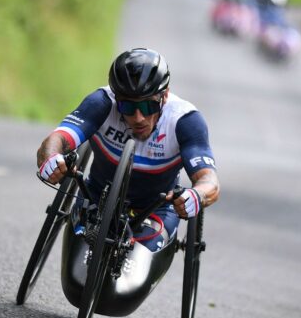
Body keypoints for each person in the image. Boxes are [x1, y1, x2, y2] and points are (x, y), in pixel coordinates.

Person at [36, 48, 220, 251]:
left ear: (164, 96)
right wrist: (50, 158)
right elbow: (58, 138)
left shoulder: (185, 120)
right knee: (79, 258)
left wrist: (196, 195)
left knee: (136, 264)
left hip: (155, 210)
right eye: (128, 108)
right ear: (117, 100)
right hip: (95, 197)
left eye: (149, 106)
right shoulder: (101, 103)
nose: (139, 117)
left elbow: (208, 180)